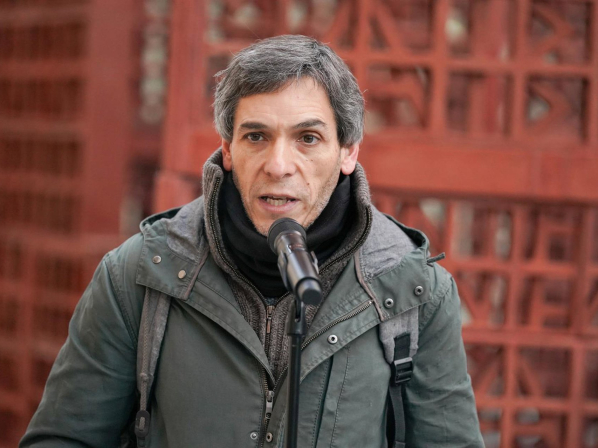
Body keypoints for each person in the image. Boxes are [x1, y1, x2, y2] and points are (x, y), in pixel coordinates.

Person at [21, 35, 484, 447]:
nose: (278, 165)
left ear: (348, 151)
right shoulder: (138, 275)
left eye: (307, 138)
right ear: (228, 149)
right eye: (256, 136)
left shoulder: (414, 291)